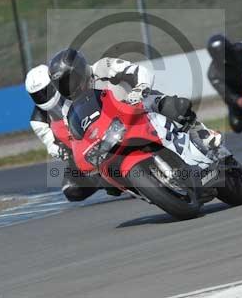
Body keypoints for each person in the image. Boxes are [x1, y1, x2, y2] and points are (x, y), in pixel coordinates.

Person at [47, 49, 222, 153]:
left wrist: (140, 89)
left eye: (70, 80)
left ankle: (202, 134)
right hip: (111, 133)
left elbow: (140, 71)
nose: (69, 86)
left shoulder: (104, 67)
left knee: (171, 105)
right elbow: (75, 137)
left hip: (139, 106)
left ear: (80, 69)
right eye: (62, 84)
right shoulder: (68, 108)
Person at [25, 64, 100, 202]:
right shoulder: (37, 120)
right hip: (79, 151)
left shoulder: (73, 87)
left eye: (46, 91)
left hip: (100, 132)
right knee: (72, 190)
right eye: (38, 95)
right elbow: (50, 143)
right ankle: (102, 182)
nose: (43, 97)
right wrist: (59, 151)